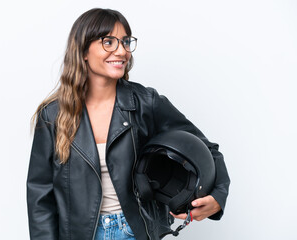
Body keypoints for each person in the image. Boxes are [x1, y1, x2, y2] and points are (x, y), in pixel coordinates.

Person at [27, 8, 230, 240]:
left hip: (135, 232)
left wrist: (218, 197)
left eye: (125, 42)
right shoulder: (52, 115)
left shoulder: (146, 103)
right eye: (109, 42)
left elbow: (208, 150)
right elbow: (40, 196)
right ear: (83, 50)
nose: (122, 51)